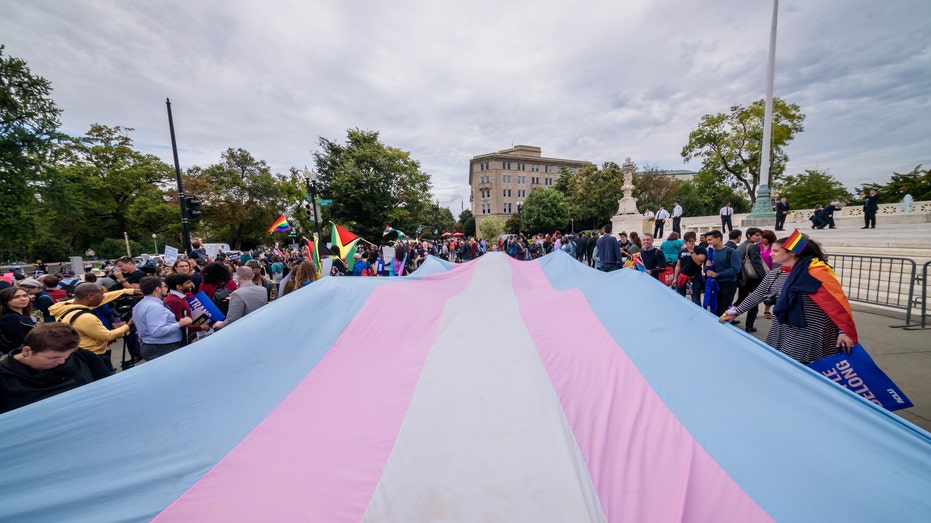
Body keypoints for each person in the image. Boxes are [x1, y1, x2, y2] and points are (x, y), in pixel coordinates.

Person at [720, 234, 857, 364]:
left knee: (802, 369)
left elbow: (838, 305)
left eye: (776, 251)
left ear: (791, 253)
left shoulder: (817, 273)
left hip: (810, 332)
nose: (771, 254)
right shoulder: (777, 273)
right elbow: (757, 295)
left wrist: (843, 331)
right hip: (783, 328)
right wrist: (735, 312)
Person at [0, 322, 111, 414]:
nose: (61, 361)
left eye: (67, 356)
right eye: (53, 357)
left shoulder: (84, 357)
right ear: (27, 351)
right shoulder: (4, 378)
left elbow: (106, 390)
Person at [50, 283, 135, 372]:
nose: (103, 298)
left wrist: (127, 291)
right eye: (101, 295)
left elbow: (103, 297)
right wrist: (127, 326)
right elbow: (107, 336)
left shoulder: (64, 307)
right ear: (90, 296)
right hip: (94, 356)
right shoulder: (85, 317)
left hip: (79, 354)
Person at [132, 276, 192, 360]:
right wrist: (180, 324)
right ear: (157, 289)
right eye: (164, 286)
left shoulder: (139, 305)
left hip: (155, 346)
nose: (167, 289)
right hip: (163, 348)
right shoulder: (155, 307)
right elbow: (156, 331)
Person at [735, 228, 769, 333]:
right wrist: (764, 278)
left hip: (744, 278)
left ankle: (727, 314)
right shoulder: (754, 246)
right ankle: (749, 326)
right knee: (754, 303)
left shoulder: (740, 246)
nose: (759, 238)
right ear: (749, 235)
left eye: (760, 236)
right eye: (757, 235)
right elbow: (756, 263)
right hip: (754, 278)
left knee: (740, 300)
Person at [705, 230, 741, 317]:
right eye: (708, 240)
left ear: (718, 239)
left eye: (710, 239)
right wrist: (707, 268)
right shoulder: (710, 252)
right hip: (715, 284)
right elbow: (708, 269)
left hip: (728, 284)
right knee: (715, 309)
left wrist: (717, 274)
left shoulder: (731, 252)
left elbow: (735, 269)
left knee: (723, 309)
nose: (708, 242)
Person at [0, 287, 38, 354]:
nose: (23, 299)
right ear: (6, 301)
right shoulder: (12, 319)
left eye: (25, 296)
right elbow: (19, 343)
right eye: (16, 297)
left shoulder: (23, 316)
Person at [673, 231, 707, 306]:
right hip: (683, 276)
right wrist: (675, 278)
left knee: (695, 299)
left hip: (695, 277)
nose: (689, 243)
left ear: (695, 240)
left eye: (691, 241)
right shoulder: (682, 251)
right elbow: (678, 265)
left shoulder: (701, 249)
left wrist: (691, 251)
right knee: (679, 297)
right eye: (687, 241)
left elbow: (698, 262)